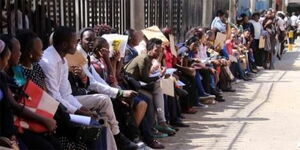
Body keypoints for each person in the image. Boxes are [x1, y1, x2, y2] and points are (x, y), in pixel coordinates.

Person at [40, 26, 138, 150]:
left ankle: (119, 139)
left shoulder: (63, 60)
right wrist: (79, 111)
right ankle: (120, 137)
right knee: (96, 124)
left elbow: (66, 93)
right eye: (74, 41)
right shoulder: (49, 62)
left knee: (102, 123)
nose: (76, 44)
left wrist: (82, 108)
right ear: (64, 45)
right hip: (57, 112)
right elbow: (55, 97)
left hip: (68, 104)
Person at [124, 38, 176, 135]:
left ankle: (159, 123)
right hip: (131, 85)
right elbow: (145, 78)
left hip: (137, 84)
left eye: (160, 51)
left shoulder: (149, 59)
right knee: (151, 96)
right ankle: (157, 125)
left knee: (158, 89)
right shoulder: (144, 58)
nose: (158, 53)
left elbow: (147, 75)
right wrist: (160, 75)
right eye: (156, 50)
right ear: (149, 50)